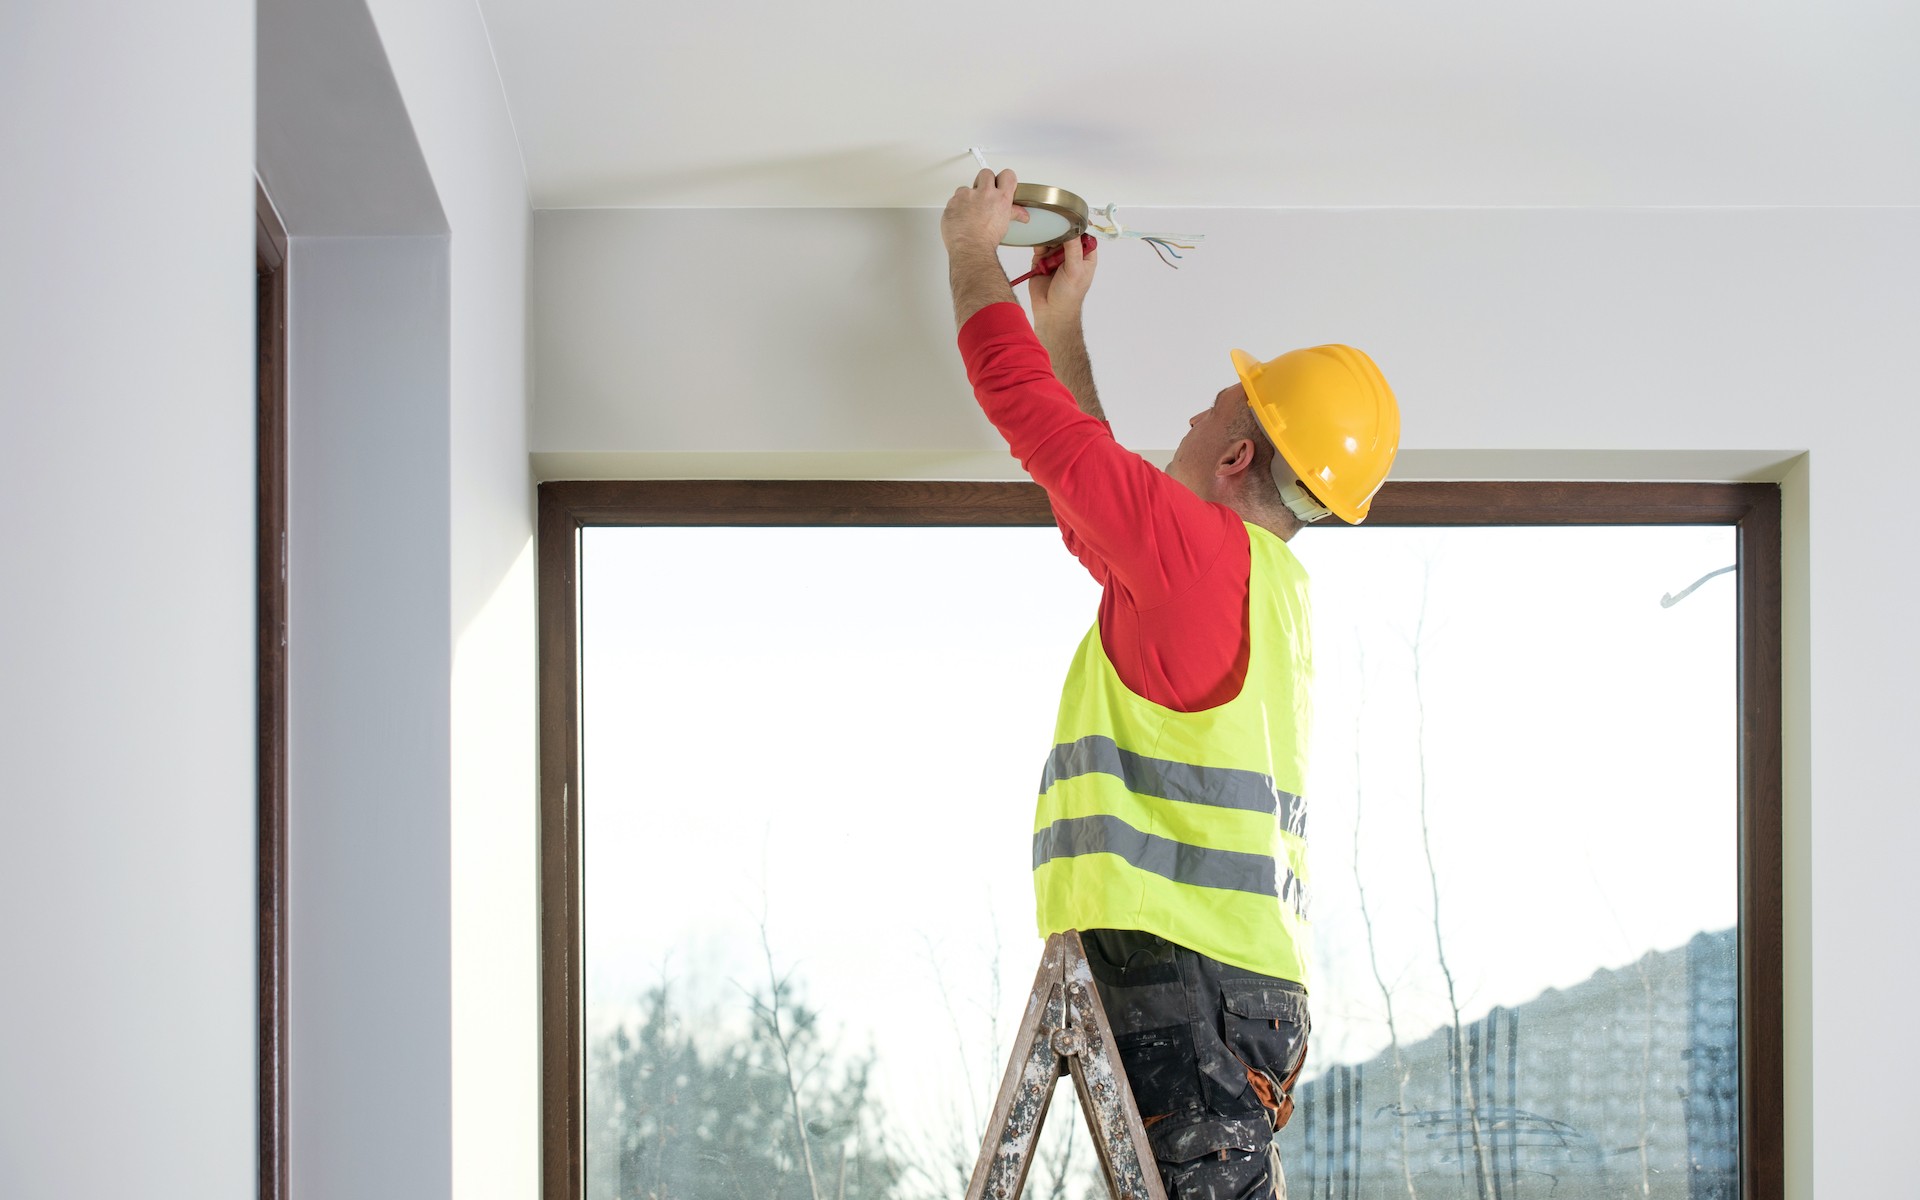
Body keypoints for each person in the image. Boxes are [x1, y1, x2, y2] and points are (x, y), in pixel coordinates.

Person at [941, 170, 1400, 1200]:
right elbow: (1090, 506)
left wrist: (969, 254)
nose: (1191, 416)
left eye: (1212, 406)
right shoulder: (1262, 588)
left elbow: (1043, 431)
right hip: (1234, 990)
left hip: (1183, 984)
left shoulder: (1200, 561)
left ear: (1236, 453)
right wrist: (1063, 330)